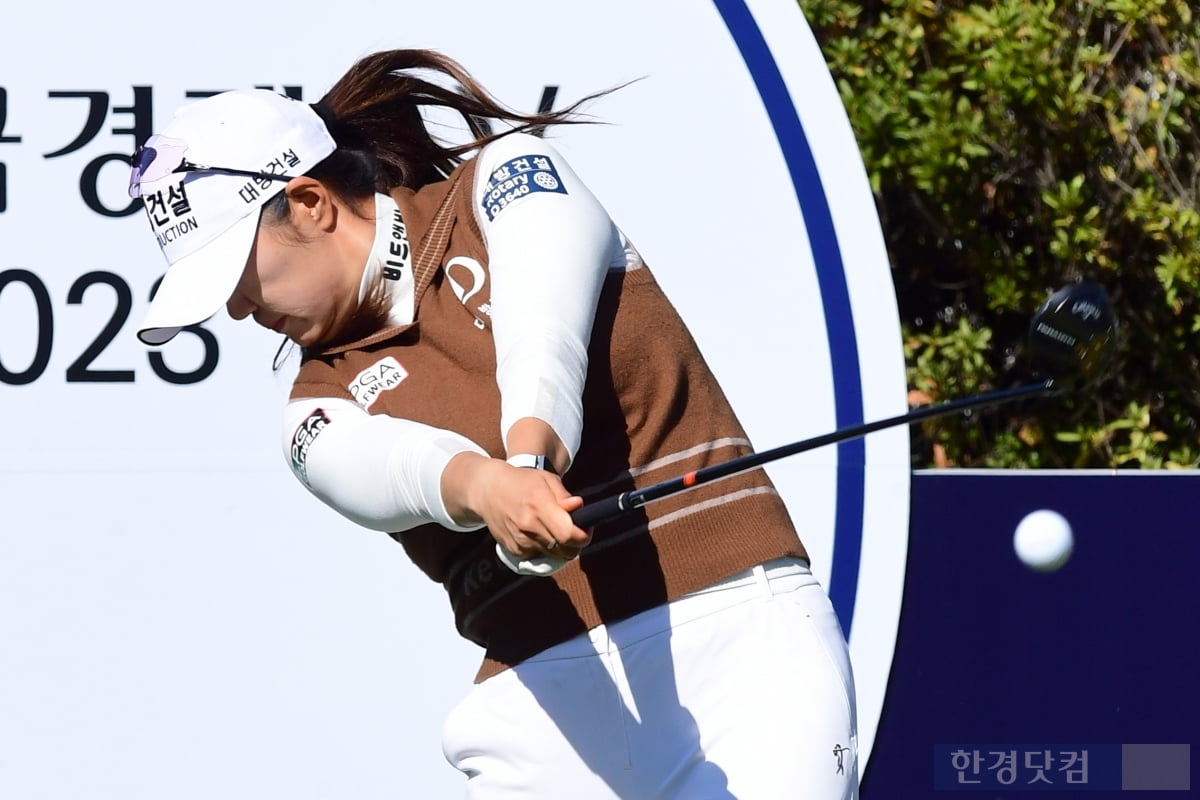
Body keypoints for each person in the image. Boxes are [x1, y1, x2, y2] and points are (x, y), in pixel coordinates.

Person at [130, 49, 859, 799]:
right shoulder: (311, 413)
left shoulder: (507, 177)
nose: (239, 309)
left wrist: (532, 465)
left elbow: (545, 334)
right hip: (544, 710)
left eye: (236, 273)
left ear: (310, 203)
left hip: (741, 635)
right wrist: (490, 489)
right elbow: (406, 466)